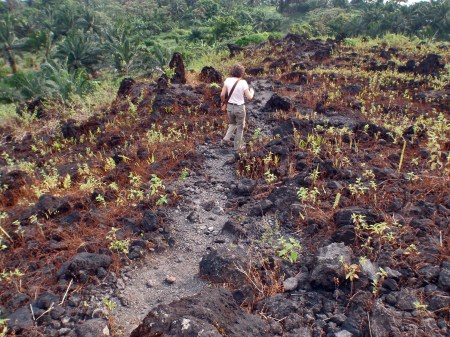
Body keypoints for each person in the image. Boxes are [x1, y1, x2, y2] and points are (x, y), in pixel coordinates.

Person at [220, 64, 254, 150]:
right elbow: (249, 97)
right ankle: (237, 147)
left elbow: (222, 94)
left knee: (232, 123)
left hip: (230, 107)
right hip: (239, 108)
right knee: (240, 127)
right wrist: (252, 92)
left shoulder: (227, 80)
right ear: (242, 73)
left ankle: (225, 139)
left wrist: (223, 101)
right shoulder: (243, 82)